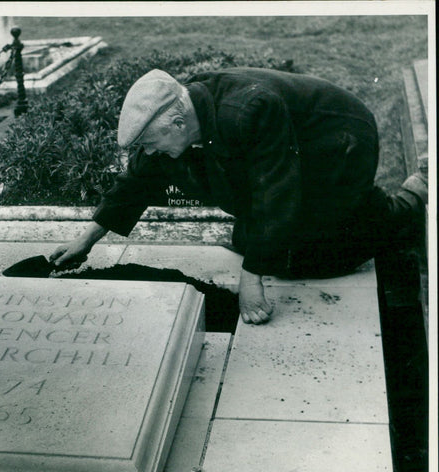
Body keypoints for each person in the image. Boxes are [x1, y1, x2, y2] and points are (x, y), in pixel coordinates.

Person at [49, 68, 428, 324]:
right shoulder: (178, 119)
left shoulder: (250, 109)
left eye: (150, 144)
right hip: (294, 140)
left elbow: (276, 191)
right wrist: (87, 239)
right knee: (270, 246)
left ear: (179, 124)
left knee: (321, 252)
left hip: (336, 138)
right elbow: (138, 179)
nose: (147, 153)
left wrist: (251, 278)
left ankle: (410, 199)